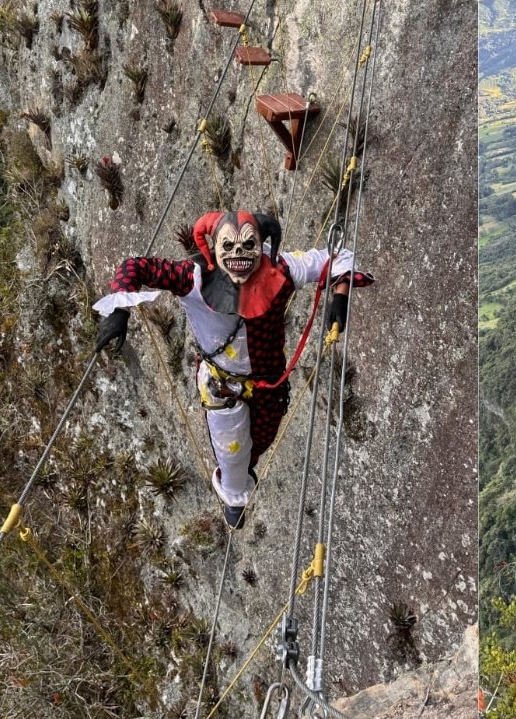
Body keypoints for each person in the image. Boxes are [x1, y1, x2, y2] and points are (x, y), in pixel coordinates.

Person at [93, 210, 372, 529]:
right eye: (228, 246)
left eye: (248, 245)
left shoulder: (280, 268)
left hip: (269, 381)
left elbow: (334, 258)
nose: (238, 255)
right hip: (221, 386)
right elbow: (135, 266)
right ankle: (234, 493)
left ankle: (244, 472)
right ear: (214, 246)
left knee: (262, 439)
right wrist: (117, 311)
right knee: (232, 453)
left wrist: (340, 296)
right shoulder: (194, 276)